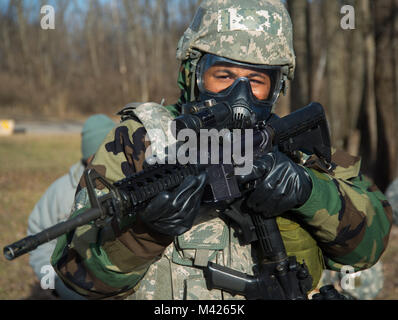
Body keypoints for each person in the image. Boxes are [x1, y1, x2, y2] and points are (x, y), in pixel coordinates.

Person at [50, 0, 392, 300]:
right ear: (193, 74)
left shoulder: (292, 145)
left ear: (277, 88)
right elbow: (73, 279)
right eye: (223, 75)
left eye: (256, 81)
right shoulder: (141, 140)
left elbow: (371, 245)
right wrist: (144, 234)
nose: (239, 96)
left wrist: (310, 191)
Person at [27, 114, 115, 299]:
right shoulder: (61, 192)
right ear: (90, 155)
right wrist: (54, 286)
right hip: (72, 288)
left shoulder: (125, 186)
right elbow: (40, 243)